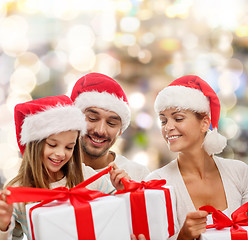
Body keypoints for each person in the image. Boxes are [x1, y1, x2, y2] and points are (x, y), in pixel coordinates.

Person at [0, 95, 127, 240]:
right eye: (52, 145)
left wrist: (122, 192)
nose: (60, 154)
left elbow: (116, 214)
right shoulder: (18, 191)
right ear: (35, 144)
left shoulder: (87, 176)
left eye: (69, 147)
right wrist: (3, 226)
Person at [145, 75, 248, 239]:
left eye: (178, 118)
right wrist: (183, 237)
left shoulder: (239, 172)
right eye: (163, 121)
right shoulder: (157, 183)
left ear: (205, 123)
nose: (168, 127)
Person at [70, 72, 150, 182]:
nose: (100, 130)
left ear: (120, 131)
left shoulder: (138, 175)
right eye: (92, 118)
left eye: (111, 123)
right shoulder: (52, 170)